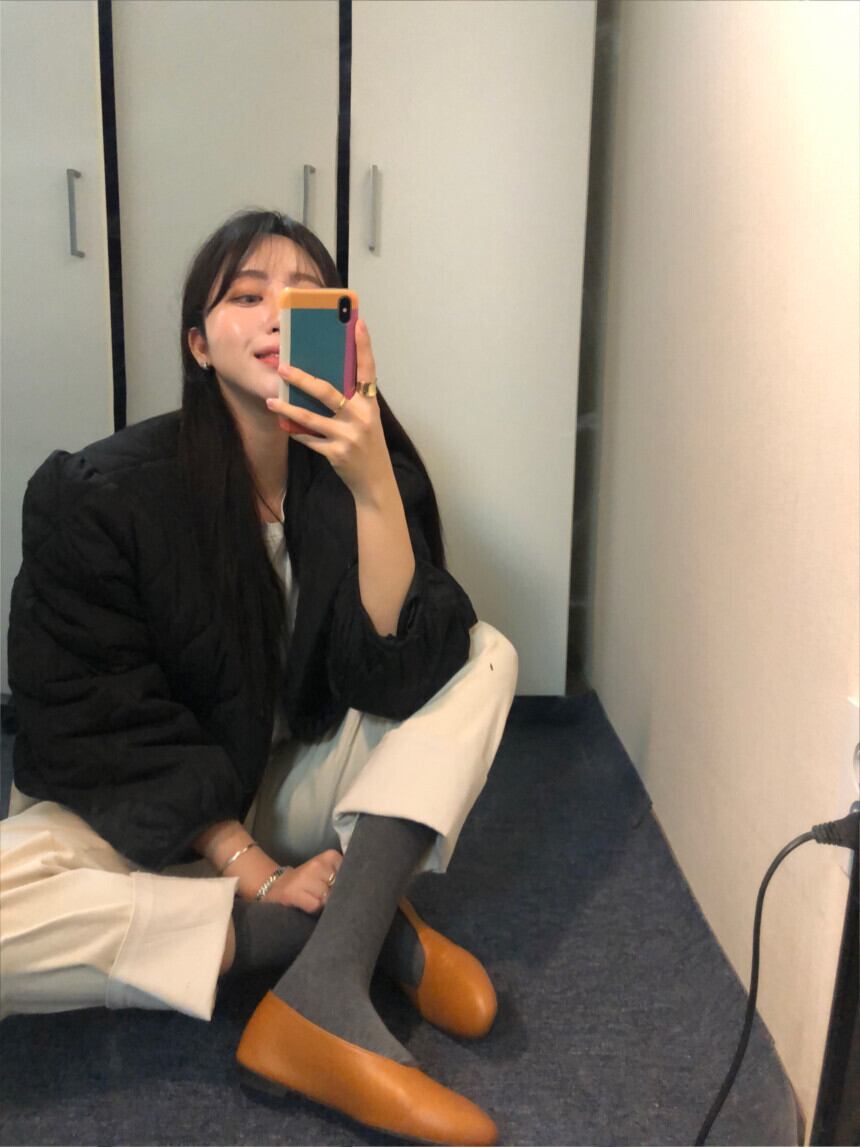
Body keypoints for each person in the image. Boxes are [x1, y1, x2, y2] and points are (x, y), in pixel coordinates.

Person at [0, 209, 518, 1144]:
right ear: (199, 345)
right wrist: (247, 867)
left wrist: (372, 482)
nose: (278, 311)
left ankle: (322, 987)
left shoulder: (358, 462)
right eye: (246, 296)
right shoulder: (101, 495)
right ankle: (335, 922)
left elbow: (402, 669)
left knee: (484, 653)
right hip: (136, 809)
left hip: (284, 777)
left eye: (305, 296)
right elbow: (93, 718)